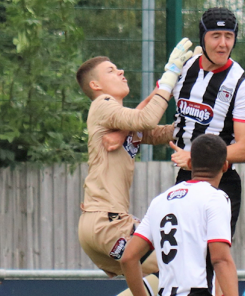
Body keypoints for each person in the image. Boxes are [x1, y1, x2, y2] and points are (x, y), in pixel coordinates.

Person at [75, 38, 195, 296]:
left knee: (166, 272)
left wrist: (203, 123)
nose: (120, 72)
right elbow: (146, 118)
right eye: (110, 70)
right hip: (108, 222)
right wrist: (170, 75)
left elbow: (161, 132)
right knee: (184, 261)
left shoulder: (118, 121)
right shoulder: (102, 105)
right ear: (95, 85)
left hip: (97, 224)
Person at [167, 7, 245, 238]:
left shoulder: (242, 83)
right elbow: (149, 111)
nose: (223, 44)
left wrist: (195, 157)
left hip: (222, 181)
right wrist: (123, 131)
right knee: (178, 258)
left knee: (212, 259)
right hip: (185, 179)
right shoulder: (184, 67)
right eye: (215, 36)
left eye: (229, 36)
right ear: (203, 38)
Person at [120, 134, 239, 296]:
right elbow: (220, 259)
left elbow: (128, 258)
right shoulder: (215, 198)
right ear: (225, 166)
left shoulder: (160, 201)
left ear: (189, 164)